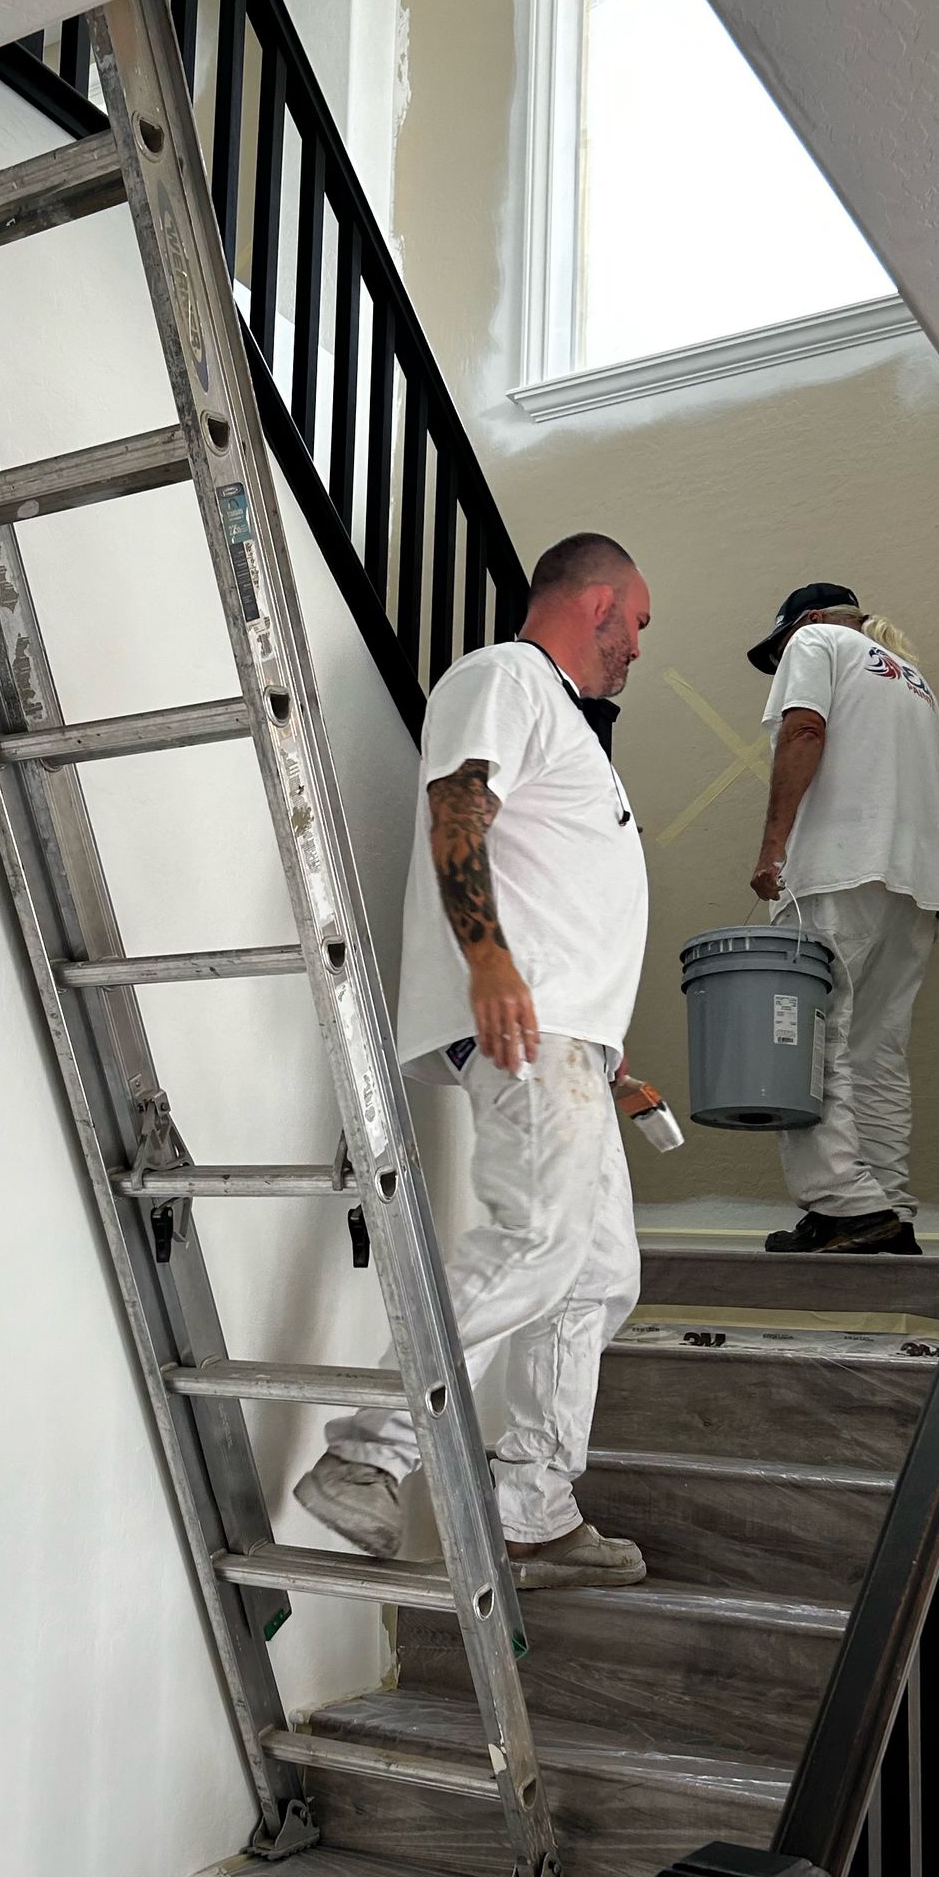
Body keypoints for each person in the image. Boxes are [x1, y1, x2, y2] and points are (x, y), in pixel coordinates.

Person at [295, 533, 654, 1588]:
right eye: (637, 620)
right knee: (536, 1238)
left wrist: (606, 1051)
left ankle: (535, 1509)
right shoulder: (507, 678)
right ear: (598, 603)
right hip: (528, 1022)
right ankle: (367, 1454)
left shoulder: (570, 725)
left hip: (571, 1038)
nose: (638, 645)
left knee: (597, 1277)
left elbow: (556, 888)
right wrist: (489, 962)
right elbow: (459, 803)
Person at [746, 582, 939, 1255]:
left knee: (805, 1038)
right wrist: (895, 838)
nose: (782, 661)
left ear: (812, 619)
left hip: (835, 874)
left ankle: (844, 1205)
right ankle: (889, 1208)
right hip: (914, 888)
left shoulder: (817, 641)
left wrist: (774, 844)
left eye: (780, 648)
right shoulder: (914, 683)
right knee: (877, 1051)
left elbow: (804, 729)